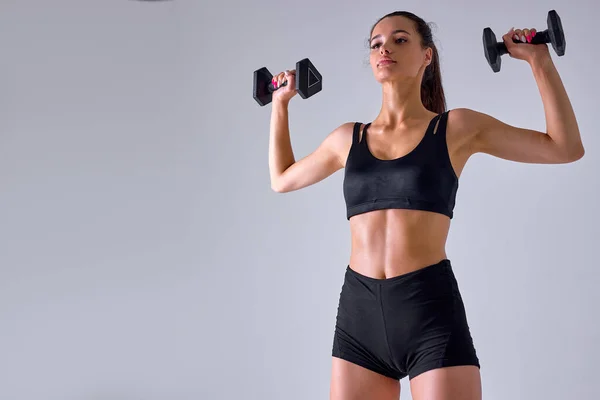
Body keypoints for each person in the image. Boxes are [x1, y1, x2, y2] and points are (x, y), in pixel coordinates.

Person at [267, 10, 584, 400]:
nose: (386, 49)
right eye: (377, 44)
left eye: (400, 40)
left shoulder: (455, 128)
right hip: (358, 316)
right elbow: (282, 178)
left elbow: (565, 147)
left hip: (429, 312)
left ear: (427, 56)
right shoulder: (347, 139)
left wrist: (539, 61)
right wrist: (280, 104)